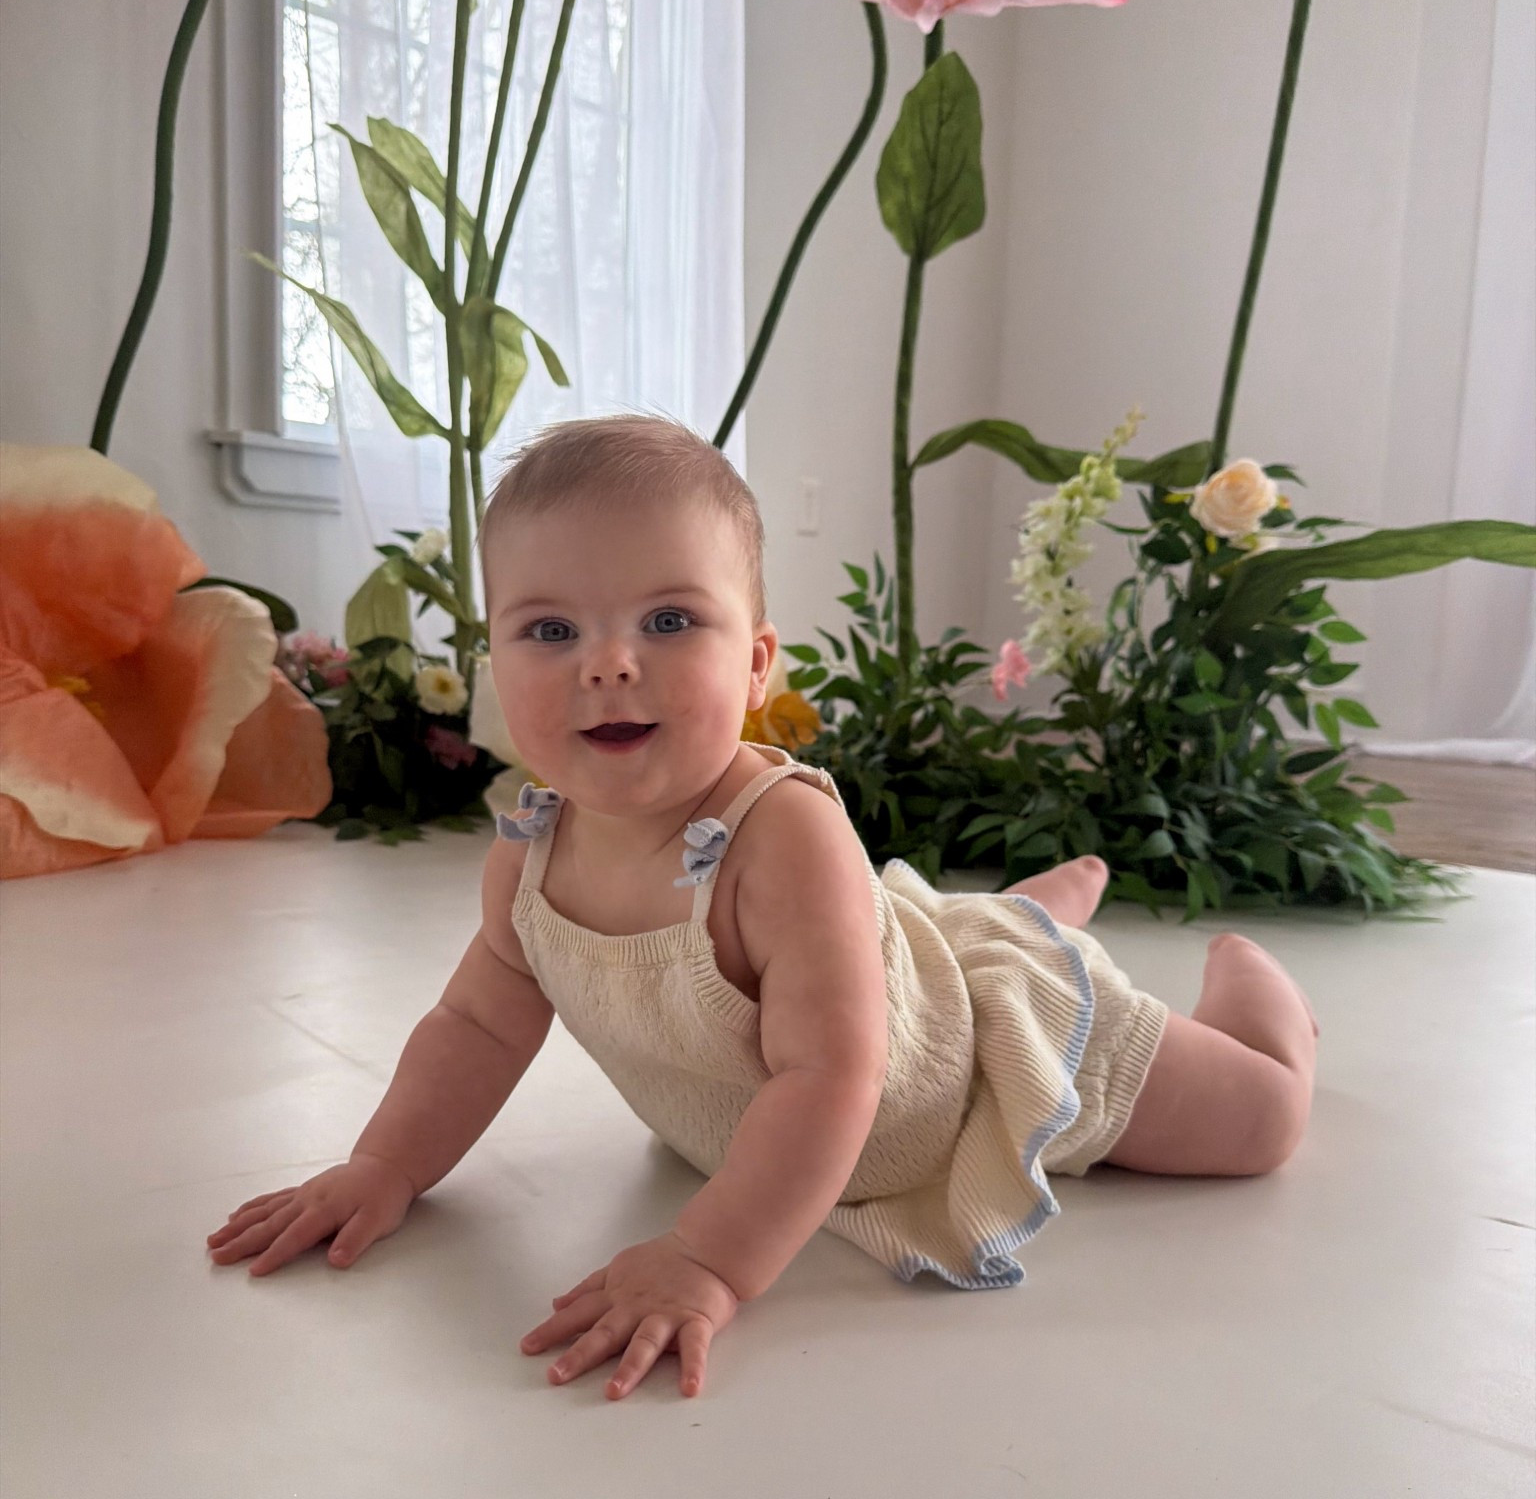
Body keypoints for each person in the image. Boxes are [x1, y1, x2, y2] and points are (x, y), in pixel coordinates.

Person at [207, 415, 1318, 1401]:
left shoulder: (781, 839)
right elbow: (478, 1026)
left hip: (981, 1063)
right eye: (550, 630)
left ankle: (1244, 984)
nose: (608, 663)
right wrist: (384, 1164)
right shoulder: (530, 851)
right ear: (493, 659)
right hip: (885, 993)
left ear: (758, 665)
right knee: (929, 942)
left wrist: (709, 1256)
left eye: (671, 620)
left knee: (1259, 1121)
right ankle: (1032, 912)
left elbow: (833, 1074)